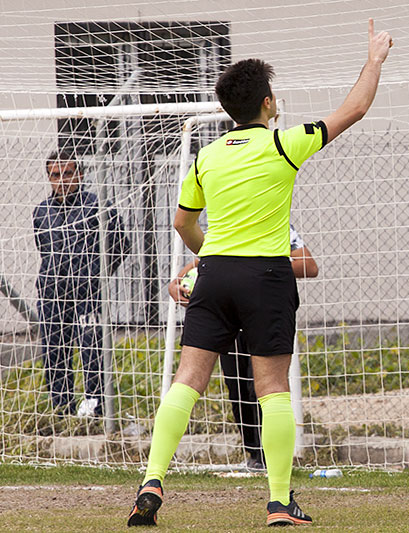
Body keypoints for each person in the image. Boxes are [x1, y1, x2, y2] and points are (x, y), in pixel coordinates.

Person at [127, 19, 392, 528]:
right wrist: (374, 59)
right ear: (268, 104)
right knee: (271, 387)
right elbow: (355, 109)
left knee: (186, 380)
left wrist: (206, 260)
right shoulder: (283, 144)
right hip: (266, 277)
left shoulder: (207, 155)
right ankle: (277, 502)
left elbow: (183, 222)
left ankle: (152, 478)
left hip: (216, 274)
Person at [167, 224, 318, 470]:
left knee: (263, 387)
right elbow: (203, 258)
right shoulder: (226, 222)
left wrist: (258, 267)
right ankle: (254, 455)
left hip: (264, 310)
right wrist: (179, 281)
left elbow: (310, 266)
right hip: (228, 312)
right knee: (235, 384)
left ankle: (274, 458)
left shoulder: (278, 225)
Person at [33, 150, 129, 418]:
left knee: (91, 347)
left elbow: (121, 245)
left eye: (68, 173)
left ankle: (94, 404)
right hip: (52, 292)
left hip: (89, 293)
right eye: (55, 175)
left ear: (81, 175)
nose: (62, 180)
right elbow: (43, 248)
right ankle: (61, 406)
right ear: (48, 178)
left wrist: (96, 274)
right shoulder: (41, 211)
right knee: (54, 349)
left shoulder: (99, 208)